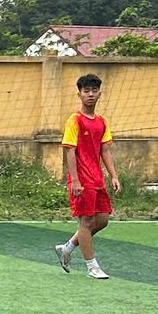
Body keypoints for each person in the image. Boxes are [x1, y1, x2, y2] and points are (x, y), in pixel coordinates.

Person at [55, 73, 114, 280]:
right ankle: (92, 267)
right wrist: (75, 180)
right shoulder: (75, 121)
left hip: (97, 179)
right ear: (79, 94)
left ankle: (67, 248)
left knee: (103, 219)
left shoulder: (102, 121)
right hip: (82, 179)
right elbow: (70, 151)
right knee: (86, 221)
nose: (90, 94)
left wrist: (114, 176)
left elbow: (105, 150)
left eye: (94, 91)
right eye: (86, 91)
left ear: (99, 94)